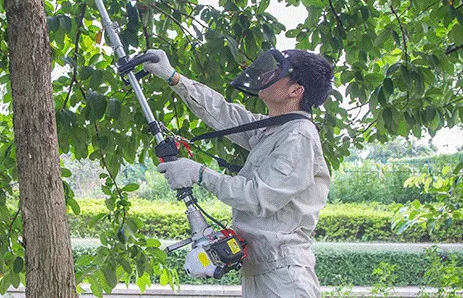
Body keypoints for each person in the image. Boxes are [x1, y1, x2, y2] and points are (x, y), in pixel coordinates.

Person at [143, 48, 334, 298]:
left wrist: (200, 174)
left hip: (283, 277)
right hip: (260, 271)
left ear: (296, 91)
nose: (268, 75)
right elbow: (225, 113)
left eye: (278, 72)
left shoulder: (298, 136)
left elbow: (259, 197)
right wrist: (174, 77)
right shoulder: (277, 129)